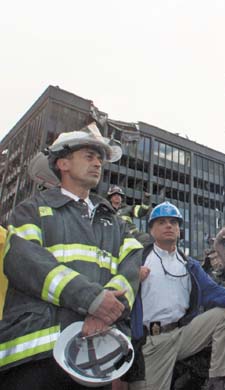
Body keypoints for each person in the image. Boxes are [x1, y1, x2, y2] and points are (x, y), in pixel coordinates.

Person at [0, 124, 143, 389]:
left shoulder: (118, 224)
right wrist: (93, 299)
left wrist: (104, 311)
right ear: (63, 163)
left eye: (100, 159)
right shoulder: (32, 210)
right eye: (89, 156)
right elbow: (25, 262)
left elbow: (131, 271)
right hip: (35, 355)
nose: (98, 163)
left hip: (94, 356)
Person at [128, 202, 225, 390]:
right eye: (162, 222)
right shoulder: (139, 259)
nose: (169, 226)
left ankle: (219, 378)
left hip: (183, 335)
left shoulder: (188, 264)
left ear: (179, 230)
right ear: (151, 230)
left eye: (173, 223)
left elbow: (211, 290)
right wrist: (131, 277)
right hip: (152, 342)